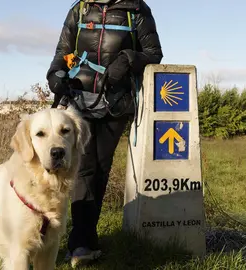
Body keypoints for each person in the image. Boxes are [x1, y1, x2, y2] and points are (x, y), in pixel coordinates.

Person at [46, 0, 163, 267]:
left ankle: (86, 237)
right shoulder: (80, 9)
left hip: (116, 103)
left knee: (100, 168)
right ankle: (80, 243)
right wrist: (54, 75)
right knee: (84, 169)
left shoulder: (137, 11)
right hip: (78, 102)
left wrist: (128, 59)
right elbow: (63, 51)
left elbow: (154, 53)